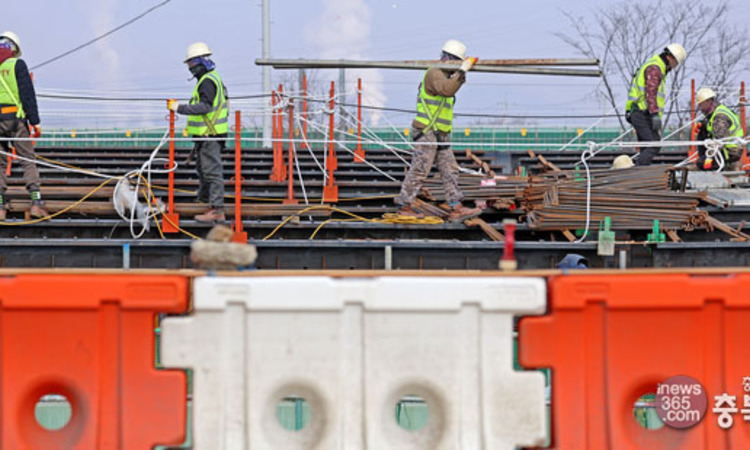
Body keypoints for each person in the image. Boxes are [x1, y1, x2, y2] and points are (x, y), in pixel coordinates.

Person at [395, 39, 482, 222]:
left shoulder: (445, 76)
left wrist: (460, 73)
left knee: (449, 169)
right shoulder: (434, 73)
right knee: (420, 169)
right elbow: (447, 90)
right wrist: (463, 70)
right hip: (427, 131)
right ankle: (404, 205)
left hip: (440, 133)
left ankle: (456, 206)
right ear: (449, 59)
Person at [168, 42, 228, 222]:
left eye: (192, 64)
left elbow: (204, 107)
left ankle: (217, 210)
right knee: (202, 170)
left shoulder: (208, 81)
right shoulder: (209, 79)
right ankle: (203, 200)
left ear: (201, 62)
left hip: (210, 135)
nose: (190, 69)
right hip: (206, 135)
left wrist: (179, 108)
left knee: (211, 172)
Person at [0, 30, 48, 221]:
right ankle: (36, 203)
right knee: (28, 160)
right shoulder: (17, 64)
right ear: (13, 48)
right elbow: (27, 95)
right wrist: (34, 122)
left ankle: (0, 206)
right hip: (16, 120)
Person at [625, 43, 687, 166]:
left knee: (648, 146)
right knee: (653, 145)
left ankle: (641, 172)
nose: (675, 67)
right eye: (676, 63)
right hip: (642, 112)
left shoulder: (655, 66)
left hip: (641, 112)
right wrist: (654, 114)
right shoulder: (655, 68)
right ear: (670, 57)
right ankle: (637, 173)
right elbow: (651, 92)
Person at [694, 87, 745, 171]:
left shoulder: (719, 117)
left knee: (700, 163)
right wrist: (703, 125)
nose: (700, 108)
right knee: (702, 131)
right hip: (728, 149)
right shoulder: (717, 111)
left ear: (708, 102)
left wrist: (709, 158)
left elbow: (719, 141)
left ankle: (723, 168)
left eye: (701, 104)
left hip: (730, 151)